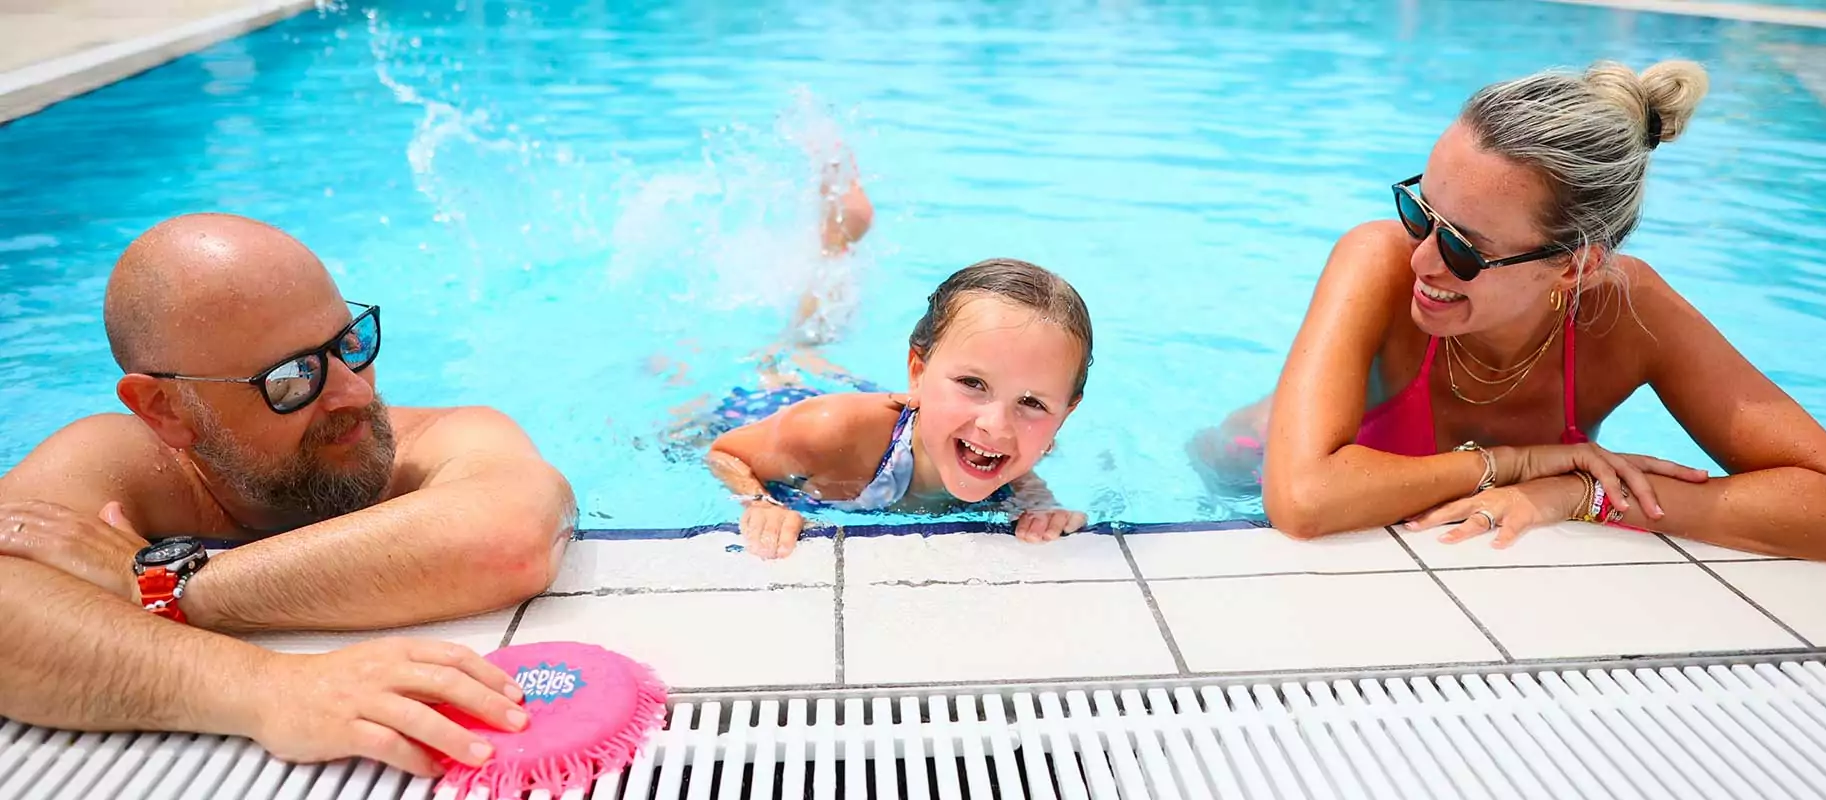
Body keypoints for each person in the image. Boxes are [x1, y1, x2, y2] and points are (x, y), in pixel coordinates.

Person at [1196, 59, 1826, 564]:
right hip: (1246, 466)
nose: (1424, 261)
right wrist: (1521, 462)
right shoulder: (1376, 260)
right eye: (1420, 209)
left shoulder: (1629, 310)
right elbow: (1304, 499)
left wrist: (1576, 494)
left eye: (1466, 249)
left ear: (1577, 264)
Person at [0, 213, 577, 776]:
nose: (352, 393)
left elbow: (510, 538)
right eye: (292, 378)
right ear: (166, 409)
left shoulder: (441, 439)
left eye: (349, 344)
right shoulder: (115, 465)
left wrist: (162, 584)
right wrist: (266, 687)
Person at [704, 255, 1096, 559]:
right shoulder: (830, 431)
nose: (996, 426)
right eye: (972, 383)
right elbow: (724, 452)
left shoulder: (1011, 456)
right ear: (918, 372)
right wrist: (759, 502)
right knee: (787, 358)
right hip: (767, 404)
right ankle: (824, 277)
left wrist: (1045, 512)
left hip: (917, 413)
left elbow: (1021, 484)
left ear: (1064, 415)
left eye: (1031, 403)